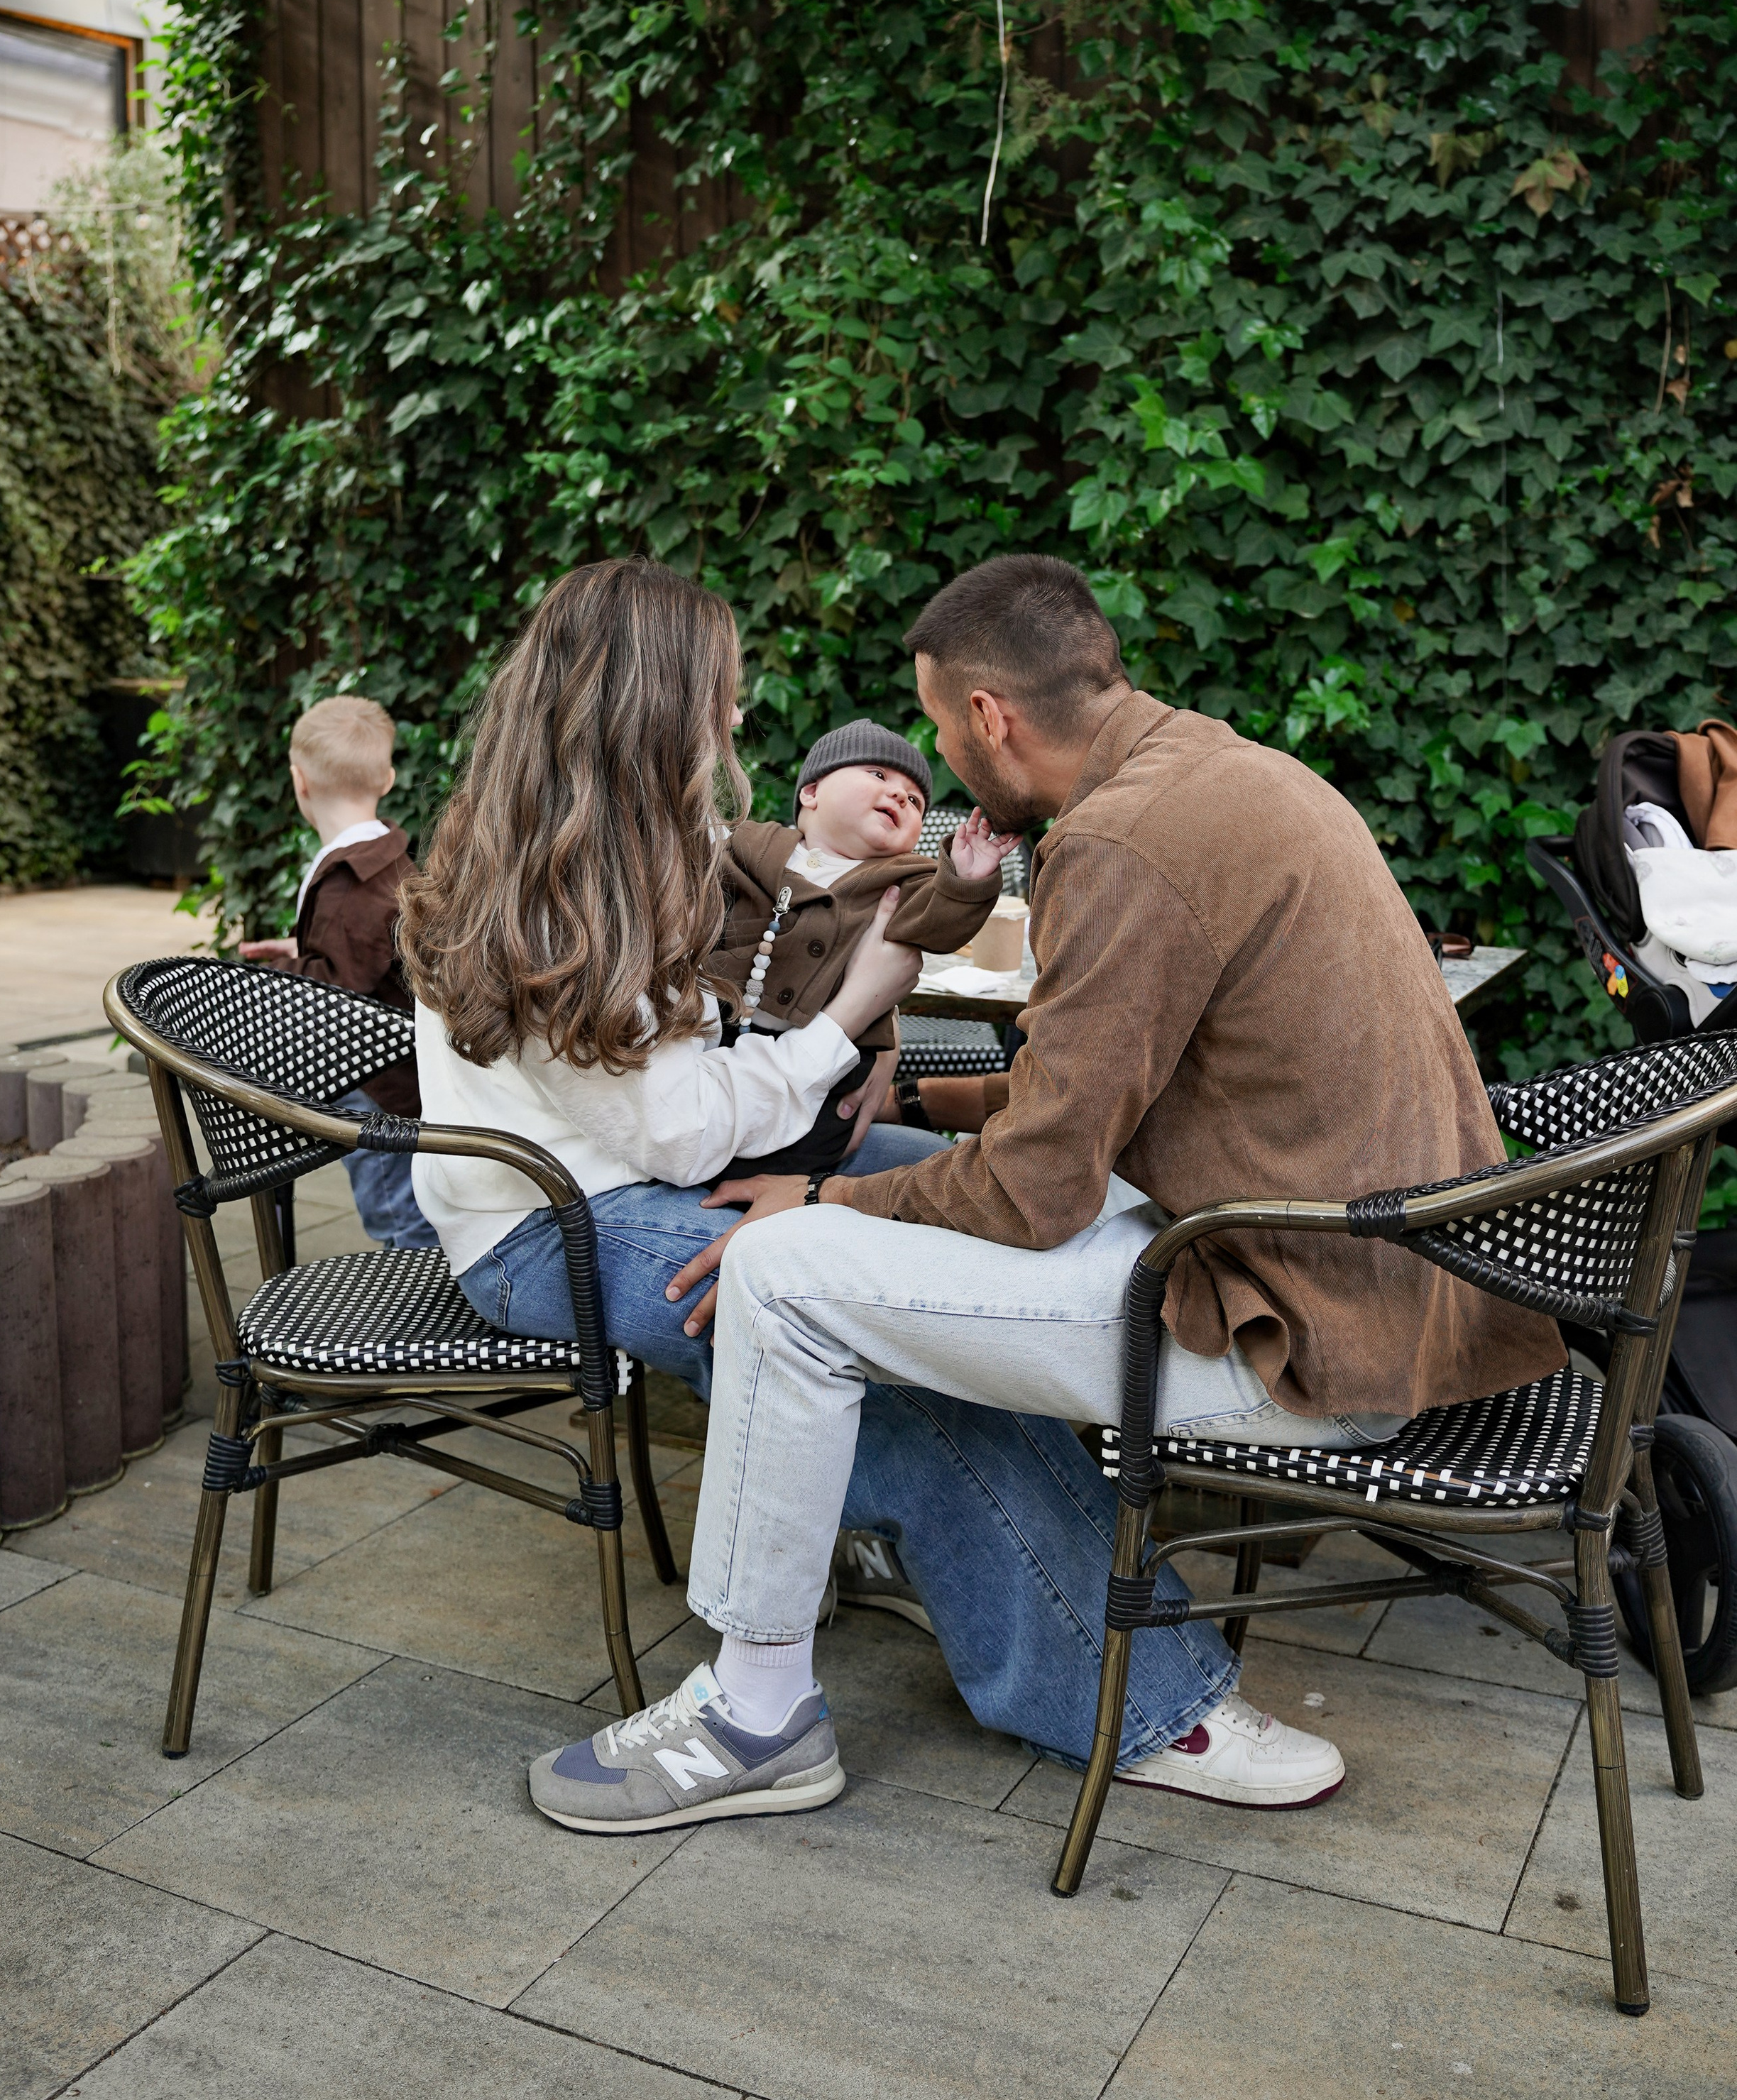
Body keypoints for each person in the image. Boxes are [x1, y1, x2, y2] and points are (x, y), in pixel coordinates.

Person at [529, 553, 1565, 1838]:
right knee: (854, 1250)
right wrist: (924, 1111)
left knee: (780, 1277)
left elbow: (1039, 1191)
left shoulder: (1123, 842)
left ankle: (755, 1715)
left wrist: (822, 1209)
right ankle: (1068, 1659)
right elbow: (1132, 1093)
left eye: (940, 732)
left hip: (1302, 1333)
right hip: (1380, 1285)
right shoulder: (1223, 773)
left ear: (988, 719)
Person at [397, 556, 1255, 1820]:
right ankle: (1139, 1698)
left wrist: (844, 1064)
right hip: (553, 1219)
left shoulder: (645, 844)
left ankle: (917, 1541)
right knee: (878, 1332)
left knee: (985, 1200)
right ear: (650, 706)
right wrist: (849, 1018)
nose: (738, 722)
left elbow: (705, 1077)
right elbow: (681, 1137)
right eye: (721, 697)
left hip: (680, 1163)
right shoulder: (545, 888)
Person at [712, 718, 1012, 1179]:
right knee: (715, 1119)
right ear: (811, 793)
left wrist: (966, 880)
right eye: (878, 775)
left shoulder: (903, 882)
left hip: (832, 1060)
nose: (899, 795)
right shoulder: (755, 844)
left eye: (914, 800)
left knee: (807, 1144)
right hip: (728, 1027)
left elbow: (942, 923)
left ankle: (790, 1190)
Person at [239, 694, 437, 1253]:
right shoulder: (385, 858)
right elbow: (367, 951)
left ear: (299, 781)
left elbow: (335, 989)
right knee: (407, 1209)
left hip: (379, 1089)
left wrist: (284, 968)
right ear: (389, 777)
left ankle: (421, 1324)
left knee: (401, 1218)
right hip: (398, 1074)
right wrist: (302, 944)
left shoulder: (353, 883)